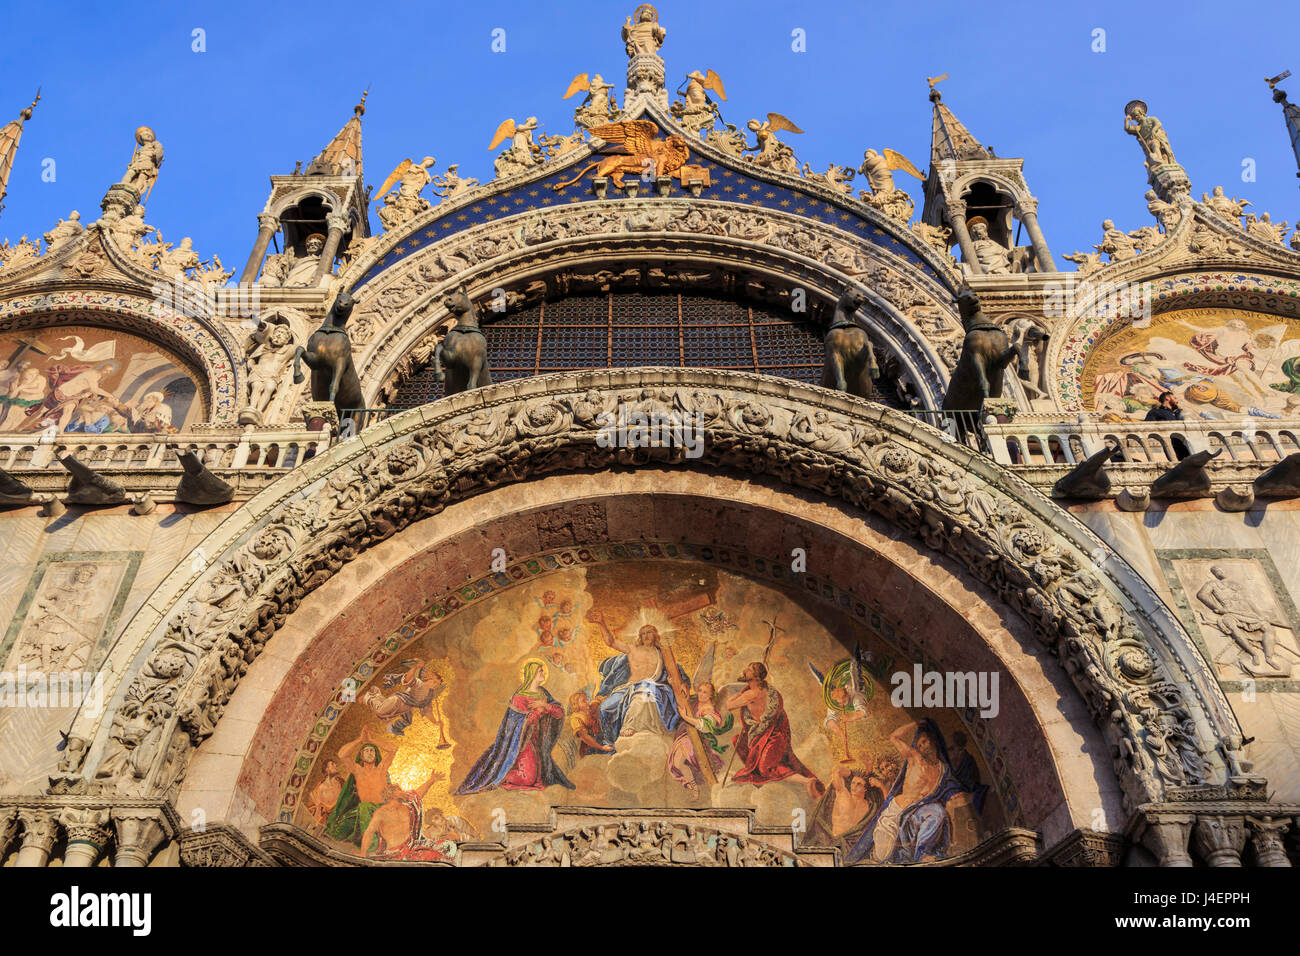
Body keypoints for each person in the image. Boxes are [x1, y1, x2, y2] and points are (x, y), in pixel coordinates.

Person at [454, 659, 574, 794]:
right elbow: (518, 723)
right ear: (532, 674)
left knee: (541, 777)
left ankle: (508, 770)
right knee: (528, 779)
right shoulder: (519, 697)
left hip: (538, 741)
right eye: (540, 671)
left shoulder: (543, 694)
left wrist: (545, 706)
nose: (543, 673)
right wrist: (539, 711)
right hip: (521, 742)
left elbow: (558, 713)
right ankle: (501, 774)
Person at [587, 609, 687, 744]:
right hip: (628, 688)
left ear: (655, 635)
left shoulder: (662, 653)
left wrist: (682, 684)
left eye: (649, 632)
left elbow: (676, 672)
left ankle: (630, 726)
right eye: (643, 633)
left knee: (641, 698)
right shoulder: (632, 649)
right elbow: (610, 641)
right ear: (639, 636)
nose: (646, 636)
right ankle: (610, 741)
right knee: (604, 708)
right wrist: (601, 623)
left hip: (649, 687)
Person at [726, 661, 823, 798]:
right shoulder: (769, 690)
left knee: (765, 769)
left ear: (755, 677)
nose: (744, 671)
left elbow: (729, 705)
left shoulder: (750, 694)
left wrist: (740, 692)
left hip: (770, 738)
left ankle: (806, 782)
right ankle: (805, 781)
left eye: (748, 670)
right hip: (773, 735)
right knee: (738, 740)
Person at [323, 727, 395, 847]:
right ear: (361, 756)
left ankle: (372, 846)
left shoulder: (381, 769)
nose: (370, 753)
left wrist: (372, 740)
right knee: (338, 829)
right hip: (363, 811)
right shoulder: (357, 770)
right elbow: (342, 755)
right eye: (366, 751)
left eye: (372, 751)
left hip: (381, 808)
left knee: (365, 807)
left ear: (376, 755)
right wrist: (360, 740)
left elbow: (393, 749)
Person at [803, 762, 884, 853]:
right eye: (853, 783)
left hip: (852, 849)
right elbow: (837, 770)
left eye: (859, 784)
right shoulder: (843, 794)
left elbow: (888, 807)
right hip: (833, 843)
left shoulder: (870, 807)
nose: (854, 786)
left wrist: (880, 785)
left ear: (865, 789)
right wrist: (852, 773)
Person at [669, 681, 733, 793]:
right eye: (700, 691)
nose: (701, 694)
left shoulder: (709, 710)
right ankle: (691, 785)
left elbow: (704, 726)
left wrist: (685, 717)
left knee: (679, 763)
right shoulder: (695, 702)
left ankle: (694, 788)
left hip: (697, 740)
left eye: (705, 692)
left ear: (710, 696)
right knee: (676, 764)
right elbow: (682, 697)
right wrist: (673, 683)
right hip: (685, 736)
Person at [1144, 390, 1191, 459]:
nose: (1177, 400)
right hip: (1170, 448)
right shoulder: (1156, 412)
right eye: (1174, 398)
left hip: (1184, 446)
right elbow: (1147, 427)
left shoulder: (1177, 413)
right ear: (1167, 398)